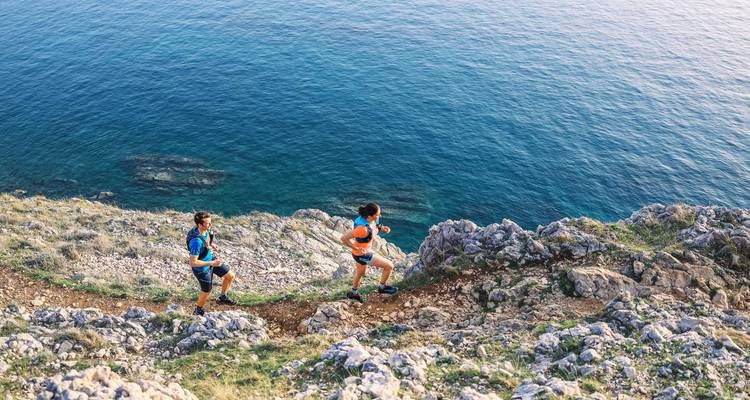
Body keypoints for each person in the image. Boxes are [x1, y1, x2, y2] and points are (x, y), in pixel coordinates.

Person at [340, 203, 398, 303]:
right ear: (370, 216)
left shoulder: (373, 219)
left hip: (360, 253)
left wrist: (382, 228)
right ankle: (382, 288)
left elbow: (374, 227)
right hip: (362, 254)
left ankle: (353, 293)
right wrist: (356, 248)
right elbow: (343, 238)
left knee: (361, 273)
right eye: (378, 214)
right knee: (389, 266)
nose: (380, 216)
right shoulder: (362, 229)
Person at [187, 211, 237, 315]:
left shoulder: (207, 231)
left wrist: (210, 245)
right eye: (208, 223)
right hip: (202, 269)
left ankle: (223, 296)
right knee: (207, 291)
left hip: (211, 260)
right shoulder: (196, 242)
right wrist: (211, 263)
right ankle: (198, 309)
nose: (210, 225)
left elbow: (206, 241)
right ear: (200, 224)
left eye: (210, 222)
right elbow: (193, 262)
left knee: (230, 276)